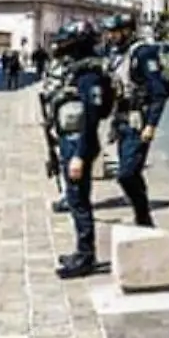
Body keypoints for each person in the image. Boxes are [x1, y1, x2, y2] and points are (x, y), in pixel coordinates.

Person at [40, 22, 114, 278]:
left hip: (79, 143)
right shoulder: (77, 70)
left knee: (79, 201)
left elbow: (92, 118)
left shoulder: (89, 75)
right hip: (70, 140)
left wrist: (80, 156)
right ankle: (81, 250)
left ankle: (86, 256)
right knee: (74, 199)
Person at [104, 14, 169, 229]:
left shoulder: (142, 53)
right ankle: (143, 218)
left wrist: (151, 124)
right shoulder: (117, 55)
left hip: (137, 121)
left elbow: (159, 92)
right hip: (122, 120)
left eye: (114, 32)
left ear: (126, 31)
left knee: (127, 174)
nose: (110, 36)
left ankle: (143, 216)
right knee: (129, 172)